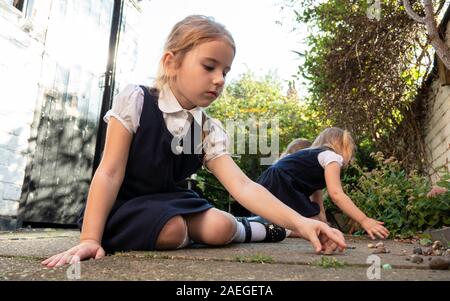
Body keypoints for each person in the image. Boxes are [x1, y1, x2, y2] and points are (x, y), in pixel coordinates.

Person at [42, 15, 346, 268]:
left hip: (170, 201)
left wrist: (302, 223)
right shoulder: (136, 101)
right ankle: (203, 229)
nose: (220, 79)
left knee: (222, 226)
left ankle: (262, 229)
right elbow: (109, 173)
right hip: (123, 205)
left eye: (225, 72)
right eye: (209, 66)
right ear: (171, 62)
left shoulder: (206, 129)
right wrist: (90, 239)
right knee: (171, 230)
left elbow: (242, 185)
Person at [255, 127, 390, 240]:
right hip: (283, 182)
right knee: (315, 228)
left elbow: (316, 194)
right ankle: (284, 230)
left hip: (270, 179)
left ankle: (271, 227)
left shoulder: (311, 157)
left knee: (318, 225)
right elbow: (336, 194)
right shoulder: (332, 157)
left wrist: (323, 220)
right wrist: (364, 220)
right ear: (344, 146)